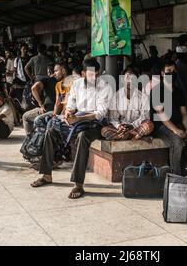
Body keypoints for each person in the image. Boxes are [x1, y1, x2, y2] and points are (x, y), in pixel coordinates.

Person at [31, 58, 113, 200]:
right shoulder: (77, 84)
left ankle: (78, 184)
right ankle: (46, 175)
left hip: (95, 124)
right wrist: (68, 112)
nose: (94, 78)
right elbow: (71, 103)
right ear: (82, 73)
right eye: (90, 75)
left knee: (82, 137)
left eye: (96, 74)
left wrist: (79, 119)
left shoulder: (105, 87)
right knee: (50, 131)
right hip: (77, 120)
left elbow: (100, 113)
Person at [151, 61, 187, 175]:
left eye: (174, 72)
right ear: (163, 73)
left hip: (177, 124)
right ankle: (175, 176)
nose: (172, 74)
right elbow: (161, 115)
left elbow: (184, 113)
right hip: (161, 127)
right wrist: (176, 130)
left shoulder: (178, 91)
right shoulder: (156, 91)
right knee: (177, 142)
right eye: (169, 71)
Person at [101, 66, 153, 141]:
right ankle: (133, 136)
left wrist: (132, 126)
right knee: (104, 130)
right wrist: (119, 126)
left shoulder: (143, 97)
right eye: (128, 78)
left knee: (149, 125)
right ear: (122, 79)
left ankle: (123, 137)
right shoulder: (116, 96)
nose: (130, 81)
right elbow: (112, 118)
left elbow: (144, 117)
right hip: (121, 129)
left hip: (136, 127)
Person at [22, 62, 67, 136]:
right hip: (60, 111)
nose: (55, 73)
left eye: (56, 71)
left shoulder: (49, 80)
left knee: (25, 117)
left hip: (50, 110)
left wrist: (41, 105)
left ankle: (32, 140)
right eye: (54, 71)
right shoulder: (66, 82)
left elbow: (34, 88)